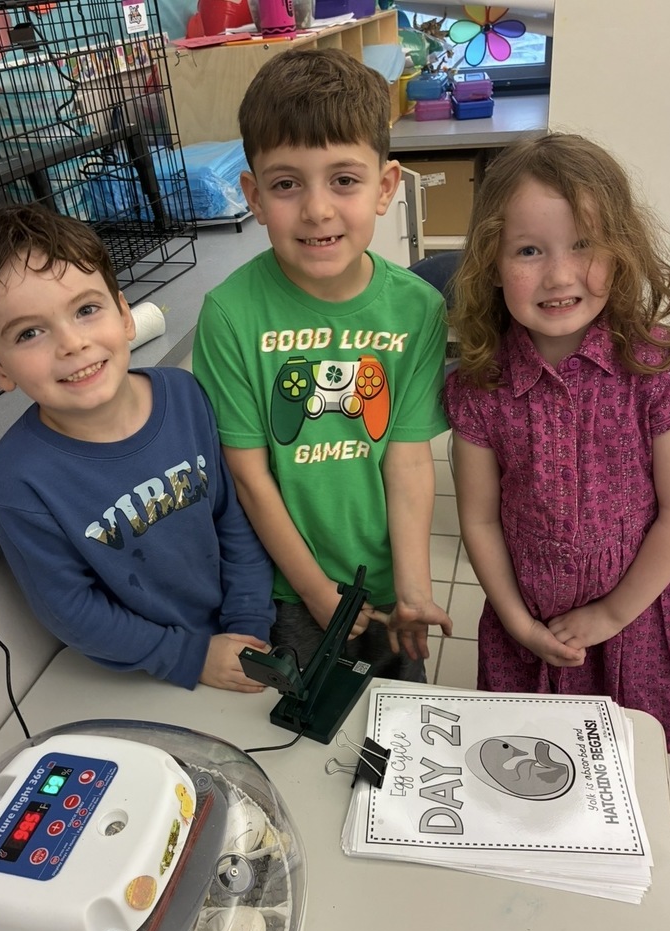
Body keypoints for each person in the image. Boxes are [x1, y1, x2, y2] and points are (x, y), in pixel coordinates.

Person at [444, 133, 670, 754]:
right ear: (491, 262)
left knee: (624, 771)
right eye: (529, 250)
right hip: (527, 622)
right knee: (522, 768)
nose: (559, 275)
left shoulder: (662, 368)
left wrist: (611, 615)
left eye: (584, 244)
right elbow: (480, 520)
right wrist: (514, 620)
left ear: (620, 250)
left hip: (634, 622)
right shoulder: (481, 388)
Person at [192, 48, 452, 681]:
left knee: (394, 733)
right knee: (302, 740)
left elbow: (409, 457)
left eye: (344, 179)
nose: (316, 209)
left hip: (391, 584)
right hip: (291, 591)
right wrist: (313, 588)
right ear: (252, 196)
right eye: (287, 184)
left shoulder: (417, 308)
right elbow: (248, 475)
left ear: (386, 187)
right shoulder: (229, 314)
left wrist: (414, 586)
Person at [0, 203, 275, 693]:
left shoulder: (186, 395)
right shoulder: (16, 484)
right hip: (150, 673)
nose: (72, 344)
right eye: (28, 333)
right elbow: (71, 610)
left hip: (249, 632)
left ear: (125, 315)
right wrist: (189, 656)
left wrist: (249, 620)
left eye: (86, 310)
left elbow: (233, 517)